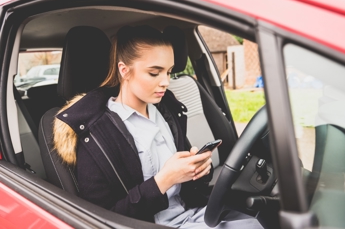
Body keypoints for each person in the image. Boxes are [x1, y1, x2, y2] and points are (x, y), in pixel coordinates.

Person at [53, 26, 262, 228]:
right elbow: (101, 219)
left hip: (193, 212)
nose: (165, 82)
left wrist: (199, 170)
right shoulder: (95, 132)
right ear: (124, 71)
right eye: (155, 73)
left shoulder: (168, 110)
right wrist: (164, 180)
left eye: (169, 72)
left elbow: (187, 187)